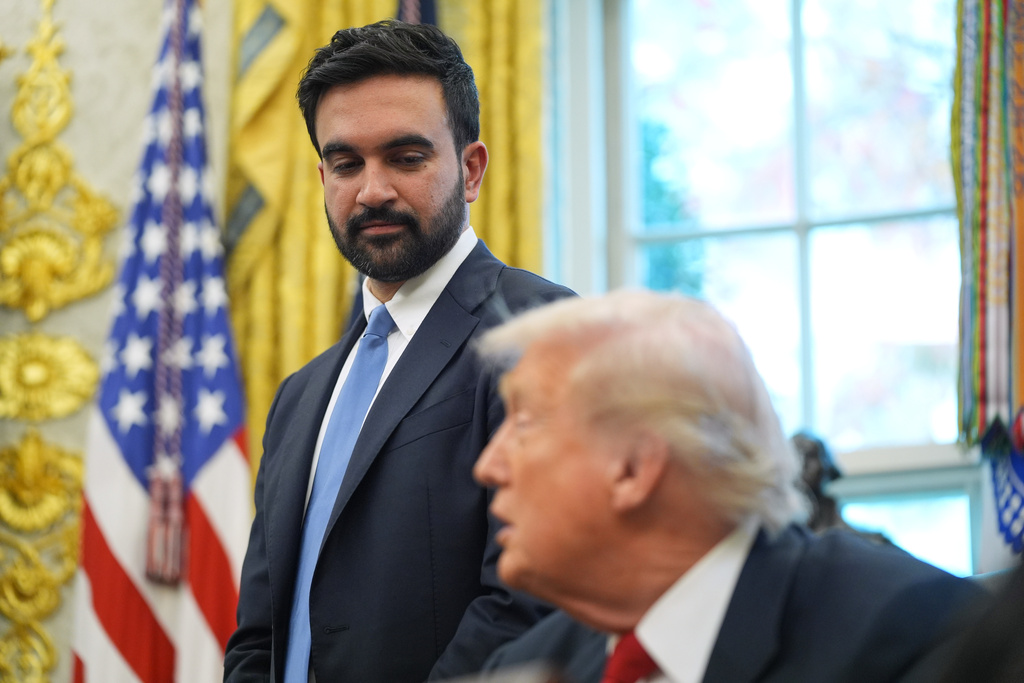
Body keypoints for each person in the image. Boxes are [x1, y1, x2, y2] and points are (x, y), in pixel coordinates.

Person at [223, 20, 573, 683]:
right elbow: (259, 635)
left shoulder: (542, 331)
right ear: (323, 176)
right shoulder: (300, 396)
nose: (372, 190)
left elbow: (532, 600)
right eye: (346, 164)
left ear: (470, 169)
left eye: (406, 157)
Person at [470, 290, 986, 683]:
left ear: (634, 468)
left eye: (524, 424)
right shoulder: (527, 665)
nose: (488, 467)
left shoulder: (917, 632)